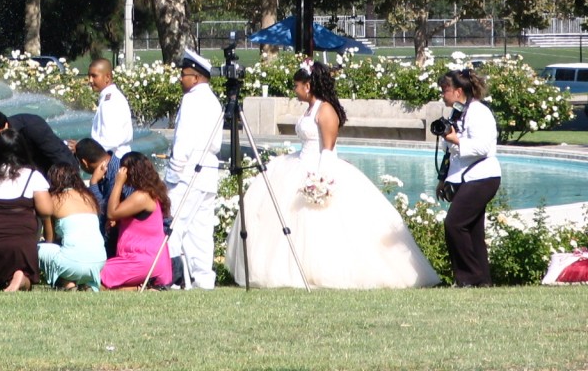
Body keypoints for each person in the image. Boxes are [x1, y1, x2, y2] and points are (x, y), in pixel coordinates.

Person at [226, 59, 440, 289]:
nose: (295, 91)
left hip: (319, 168)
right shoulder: (310, 108)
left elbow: (327, 149)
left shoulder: (326, 110)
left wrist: (321, 180)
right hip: (297, 164)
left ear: (308, 85)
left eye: (297, 86)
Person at [164, 48, 223, 290]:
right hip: (208, 170)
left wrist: (172, 173)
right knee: (201, 230)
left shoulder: (192, 99)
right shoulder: (213, 100)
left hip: (188, 171)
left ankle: (176, 278)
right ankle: (203, 279)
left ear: (196, 77)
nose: (181, 78)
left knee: (175, 225)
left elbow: (183, 140)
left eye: (184, 74)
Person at [437, 68, 502, 287]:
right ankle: (482, 281)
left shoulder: (478, 112)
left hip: (483, 176)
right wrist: (443, 178)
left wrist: (455, 140)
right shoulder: (457, 112)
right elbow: (451, 153)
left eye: (444, 90)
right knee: (473, 230)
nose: (442, 94)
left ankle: (468, 278)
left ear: (457, 91)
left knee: (454, 224)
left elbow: (484, 147)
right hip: (468, 177)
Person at [0, 129, 53, 291]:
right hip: (21, 243)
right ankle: (20, 278)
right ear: (23, 149)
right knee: (26, 279)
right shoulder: (32, 176)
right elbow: (46, 210)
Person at [100, 152, 173, 290]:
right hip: (145, 259)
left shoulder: (142, 196)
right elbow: (138, 221)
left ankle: (139, 288)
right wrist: (120, 221)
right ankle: (140, 287)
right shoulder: (150, 193)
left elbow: (111, 213)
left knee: (95, 275)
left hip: (142, 260)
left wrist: (118, 183)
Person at [38, 163, 107, 290]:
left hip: (72, 263)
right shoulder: (89, 198)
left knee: (35, 249)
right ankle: (85, 283)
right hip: (99, 263)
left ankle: (66, 282)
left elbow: (50, 240)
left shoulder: (53, 199)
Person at [74, 137, 128, 256]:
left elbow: (105, 211)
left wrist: (93, 183)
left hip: (121, 238)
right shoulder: (113, 165)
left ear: (84, 162)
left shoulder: (115, 173)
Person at [86, 59, 133, 158]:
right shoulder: (109, 97)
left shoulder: (110, 102)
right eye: (89, 76)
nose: (90, 80)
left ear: (107, 77)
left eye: (94, 76)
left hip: (114, 159)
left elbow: (109, 140)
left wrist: (83, 148)